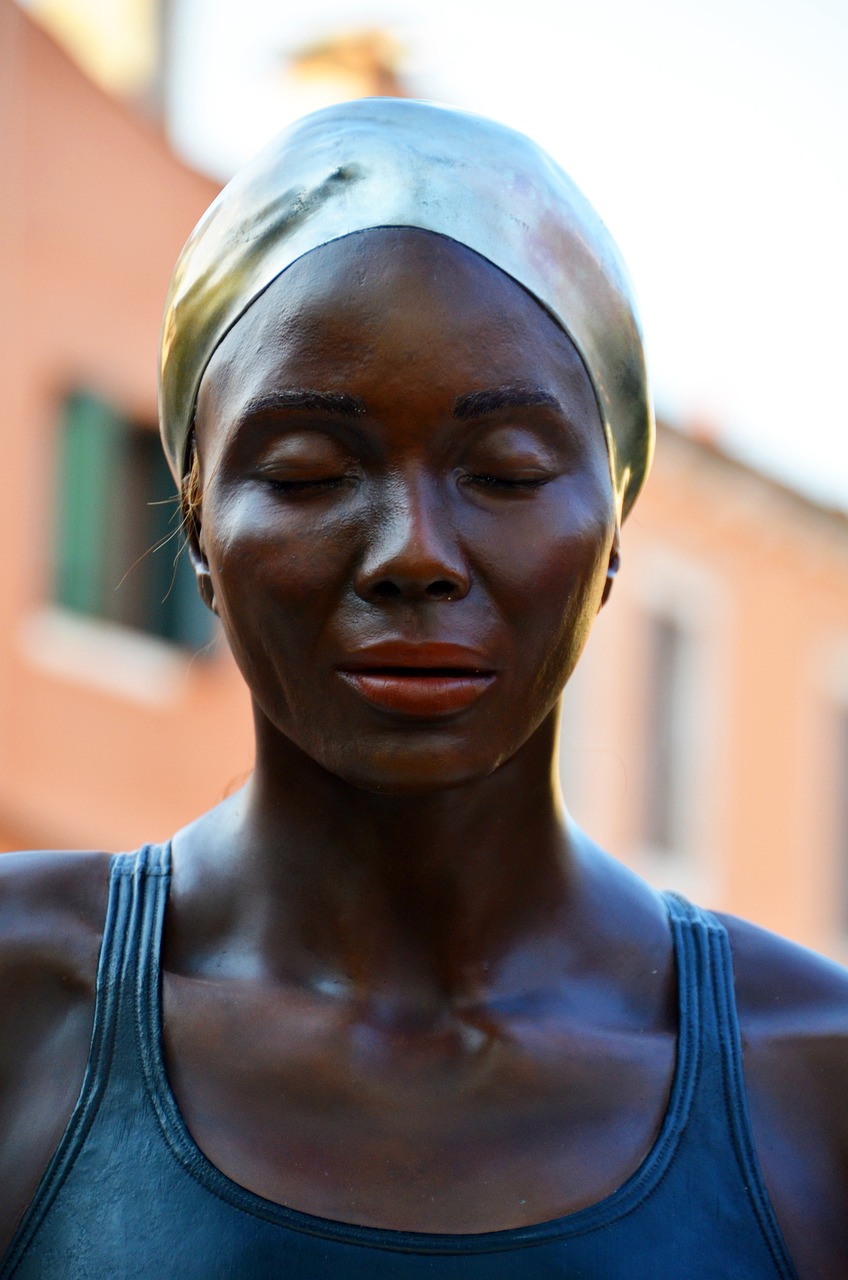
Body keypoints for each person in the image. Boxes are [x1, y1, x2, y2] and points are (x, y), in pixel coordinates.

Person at [0, 98, 845, 1280]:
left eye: (503, 471)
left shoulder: (813, 1077)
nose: (415, 552)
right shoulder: (22, 1001)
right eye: (307, 470)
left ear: (612, 522)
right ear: (196, 519)